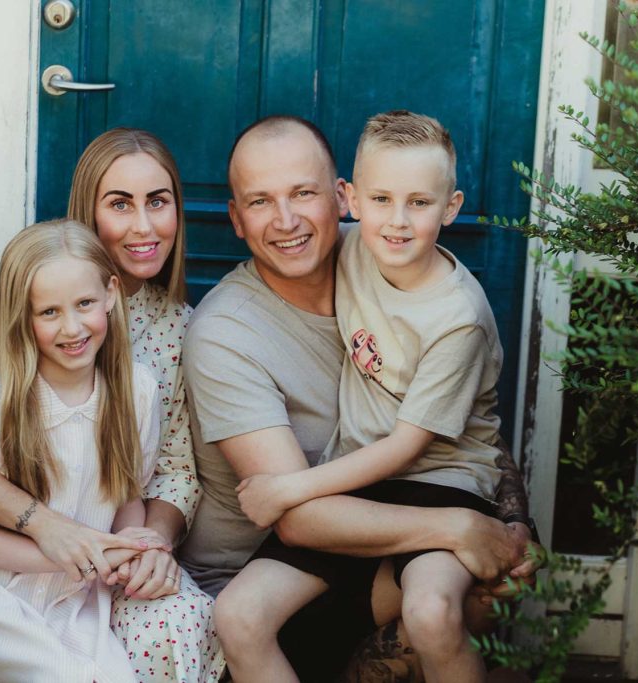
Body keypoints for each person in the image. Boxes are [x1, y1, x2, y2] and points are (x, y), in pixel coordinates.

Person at [179, 115, 538, 680]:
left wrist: (513, 521)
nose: (288, 221)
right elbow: (298, 522)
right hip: (276, 553)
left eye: (302, 193)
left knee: (450, 602)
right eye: (261, 202)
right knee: (245, 615)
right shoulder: (227, 335)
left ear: (336, 200)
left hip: (398, 497)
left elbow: (466, 423)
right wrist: (462, 529)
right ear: (236, 219)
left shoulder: (385, 257)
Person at [0, 129, 224, 682]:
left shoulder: (179, 331)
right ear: (88, 212)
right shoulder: (21, 299)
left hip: (99, 561)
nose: (143, 226)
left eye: (157, 202)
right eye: (120, 204)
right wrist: (41, 524)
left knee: (179, 620)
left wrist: (150, 544)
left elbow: (174, 472)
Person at [0, 220, 161, 680]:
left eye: (85, 303)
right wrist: (88, 554)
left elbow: (128, 498)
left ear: (111, 293)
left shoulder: (137, 392)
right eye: (48, 312)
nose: (72, 327)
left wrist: (133, 544)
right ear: (22, 317)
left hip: (70, 597)